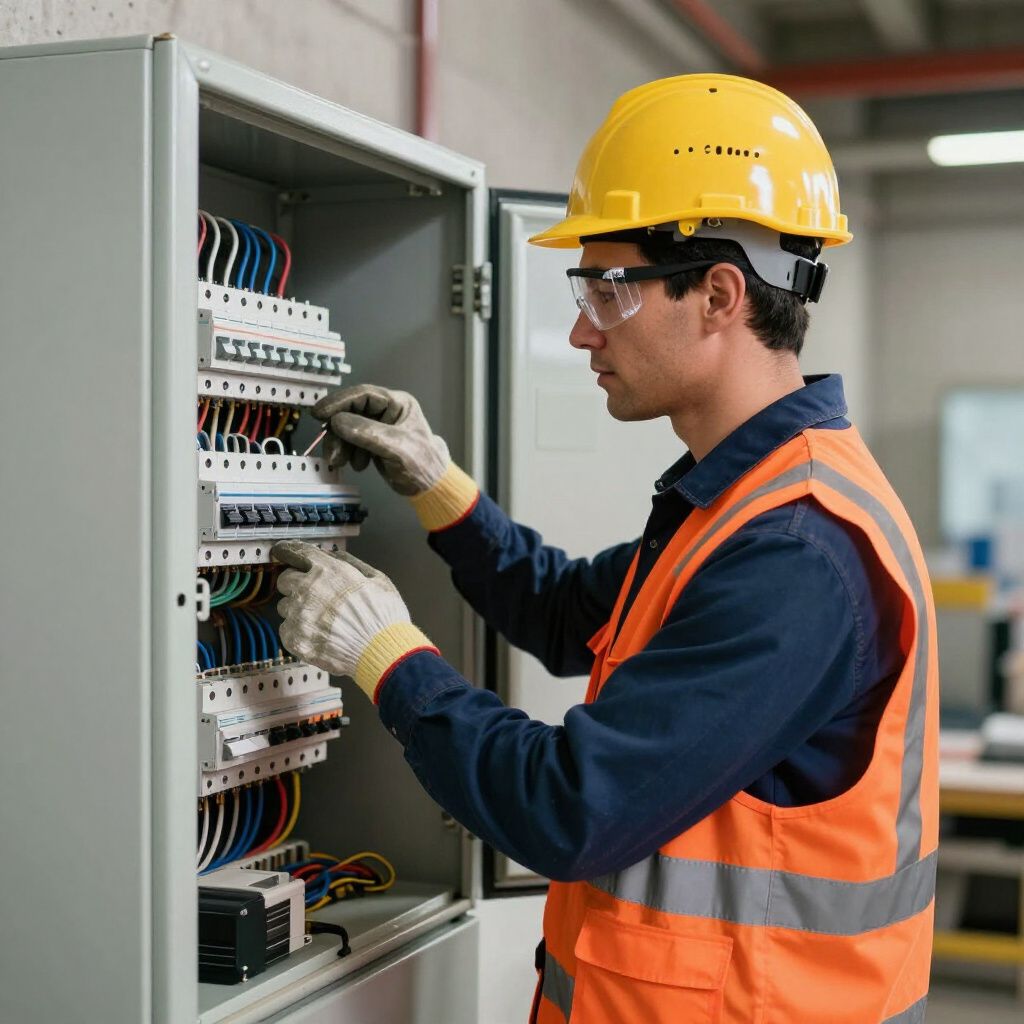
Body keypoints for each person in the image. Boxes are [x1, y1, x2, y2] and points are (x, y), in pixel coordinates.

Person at [272, 74, 938, 1024]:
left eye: (607, 291)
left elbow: (570, 810)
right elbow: (569, 614)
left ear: (718, 294)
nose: (583, 329)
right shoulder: (745, 500)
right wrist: (438, 482)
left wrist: (383, 654)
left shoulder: (800, 551)